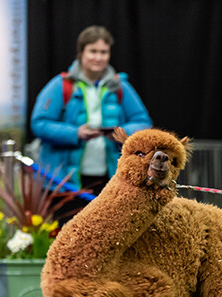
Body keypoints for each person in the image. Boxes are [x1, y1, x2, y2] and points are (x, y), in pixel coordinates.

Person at [30, 25, 152, 194]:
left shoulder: (121, 86)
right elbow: (39, 123)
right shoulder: (60, 85)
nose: (98, 57)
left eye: (103, 52)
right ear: (81, 53)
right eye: (93, 51)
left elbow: (143, 122)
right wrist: (75, 133)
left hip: (110, 179)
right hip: (64, 182)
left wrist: (121, 133)